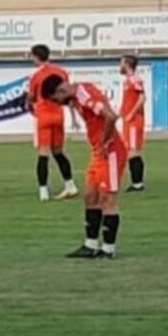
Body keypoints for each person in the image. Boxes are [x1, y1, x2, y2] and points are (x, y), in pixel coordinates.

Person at [41, 75, 126, 259]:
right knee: (90, 196)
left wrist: (104, 142)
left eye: (56, 100)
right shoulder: (76, 96)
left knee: (107, 199)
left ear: (60, 91)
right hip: (98, 153)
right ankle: (90, 245)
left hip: (110, 151)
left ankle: (108, 249)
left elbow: (111, 116)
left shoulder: (84, 94)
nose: (59, 104)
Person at [26, 44, 78, 201]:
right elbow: (68, 95)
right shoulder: (61, 71)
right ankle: (70, 185)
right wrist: (74, 118)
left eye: (32, 56)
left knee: (43, 153)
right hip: (58, 115)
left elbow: (31, 97)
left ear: (36, 56)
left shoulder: (36, 75)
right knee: (58, 152)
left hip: (44, 115)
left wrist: (30, 106)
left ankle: (43, 192)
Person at [119, 55, 147, 192]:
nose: (120, 66)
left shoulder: (135, 80)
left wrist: (131, 113)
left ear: (127, 64)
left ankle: (138, 184)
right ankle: (136, 183)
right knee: (130, 150)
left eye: (121, 63)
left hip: (134, 122)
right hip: (128, 121)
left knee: (133, 151)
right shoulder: (127, 81)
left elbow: (142, 98)